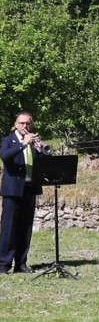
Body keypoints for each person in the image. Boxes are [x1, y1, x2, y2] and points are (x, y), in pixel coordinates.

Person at [0, 112, 50, 274]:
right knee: (9, 228)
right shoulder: (8, 140)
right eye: (22, 123)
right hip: (13, 190)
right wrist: (23, 144)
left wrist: (41, 149)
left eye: (28, 123)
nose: (25, 126)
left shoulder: (33, 141)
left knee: (25, 227)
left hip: (30, 189)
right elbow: (5, 156)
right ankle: (3, 265)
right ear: (16, 124)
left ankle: (21, 263)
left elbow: (45, 162)